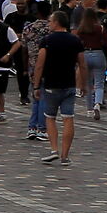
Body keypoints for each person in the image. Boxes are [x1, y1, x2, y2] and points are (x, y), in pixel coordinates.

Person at [34, 10, 86, 166]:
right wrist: (82, 83)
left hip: (51, 84)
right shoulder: (75, 40)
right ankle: (65, 155)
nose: (49, 24)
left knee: (50, 117)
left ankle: (54, 149)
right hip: (69, 84)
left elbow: (39, 65)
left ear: (56, 22)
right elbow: (82, 64)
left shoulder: (47, 41)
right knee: (68, 118)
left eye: (50, 21)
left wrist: (36, 85)